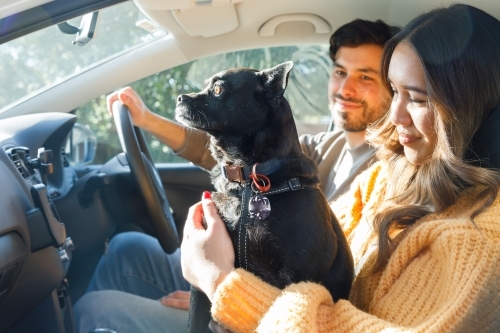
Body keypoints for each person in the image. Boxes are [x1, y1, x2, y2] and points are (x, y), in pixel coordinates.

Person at [181, 4, 500, 332]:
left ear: (467, 107)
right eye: (395, 92)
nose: (394, 116)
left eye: (417, 99)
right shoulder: (388, 176)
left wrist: (222, 284)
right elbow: (315, 253)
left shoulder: (472, 243)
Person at [73, 19, 399, 332]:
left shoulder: (391, 175)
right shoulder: (324, 144)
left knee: (96, 310)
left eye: (366, 77)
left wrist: (221, 291)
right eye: (340, 72)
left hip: (269, 309)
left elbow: (335, 289)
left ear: (394, 87)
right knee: (126, 248)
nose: (346, 88)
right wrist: (146, 119)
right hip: (241, 275)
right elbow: (230, 155)